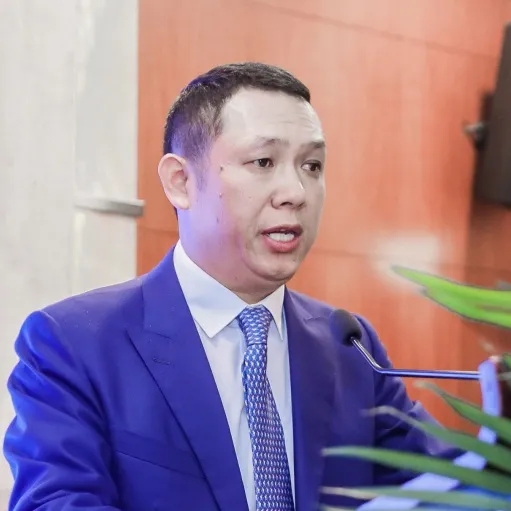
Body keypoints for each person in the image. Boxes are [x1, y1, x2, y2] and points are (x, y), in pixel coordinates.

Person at [3, 62, 459, 511]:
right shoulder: (74, 344)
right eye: (263, 162)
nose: (296, 192)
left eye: (312, 166)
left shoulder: (350, 348)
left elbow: (446, 490)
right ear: (181, 182)